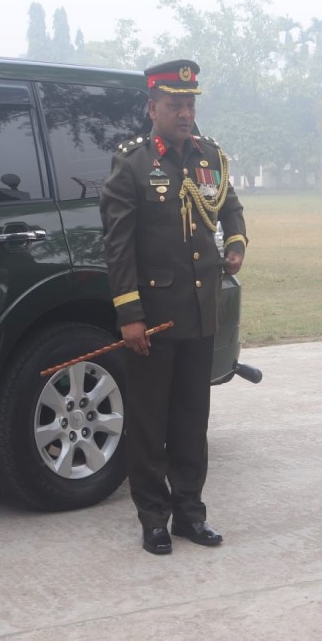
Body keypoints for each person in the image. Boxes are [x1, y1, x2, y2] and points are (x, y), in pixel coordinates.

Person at [99, 59, 247, 556]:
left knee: (191, 421)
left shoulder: (209, 157)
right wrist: (130, 315)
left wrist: (236, 243)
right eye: (174, 105)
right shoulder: (133, 163)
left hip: (200, 314)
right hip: (154, 319)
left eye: (189, 105)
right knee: (149, 425)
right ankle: (153, 518)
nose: (185, 114)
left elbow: (229, 207)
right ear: (153, 108)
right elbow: (118, 247)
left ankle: (189, 513)